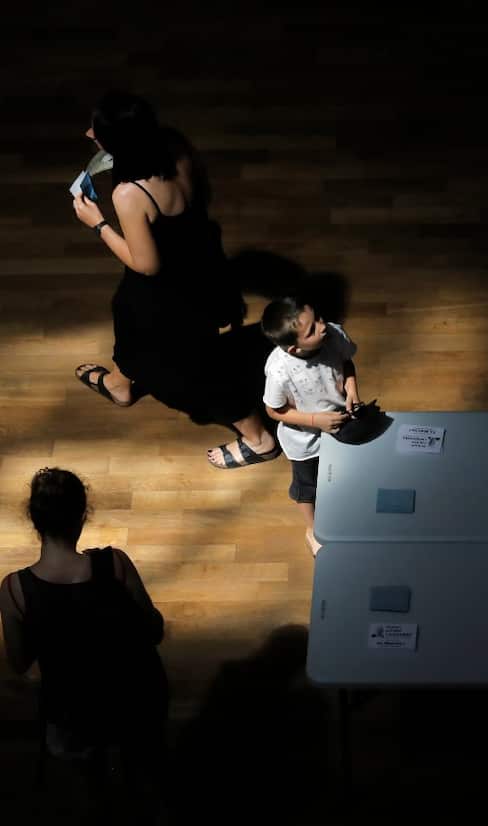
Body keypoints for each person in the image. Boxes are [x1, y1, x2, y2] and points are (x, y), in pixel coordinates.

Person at [70, 90, 278, 470]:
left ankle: (259, 439)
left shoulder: (129, 193)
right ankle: (121, 385)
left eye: (96, 132)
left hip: (167, 291)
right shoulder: (175, 145)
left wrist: (97, 224)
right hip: (198, 262)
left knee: (192, 370)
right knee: (130, 321)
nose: (89, 135)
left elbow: (146, 264)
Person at [0, 468, 168, 808]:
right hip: (136, 702)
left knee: (91, 782)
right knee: (142, 771)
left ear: (34, 521)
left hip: (73, 714)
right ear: (82, 515)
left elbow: (19, 663)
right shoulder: (115, 564)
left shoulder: (15, 590)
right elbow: (154, 629)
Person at [261, 296, 360, 555]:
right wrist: (316, 421)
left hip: (340, 420)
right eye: (312, 330)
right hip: (304, 440)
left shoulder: (334, 334)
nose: (322, 326)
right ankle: (312, 528)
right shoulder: (279, 370)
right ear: (294, 348)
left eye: (317, 318)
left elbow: (347, 362)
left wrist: (352, 390)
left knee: (345, 466)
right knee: (307, 486)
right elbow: (273, 409)